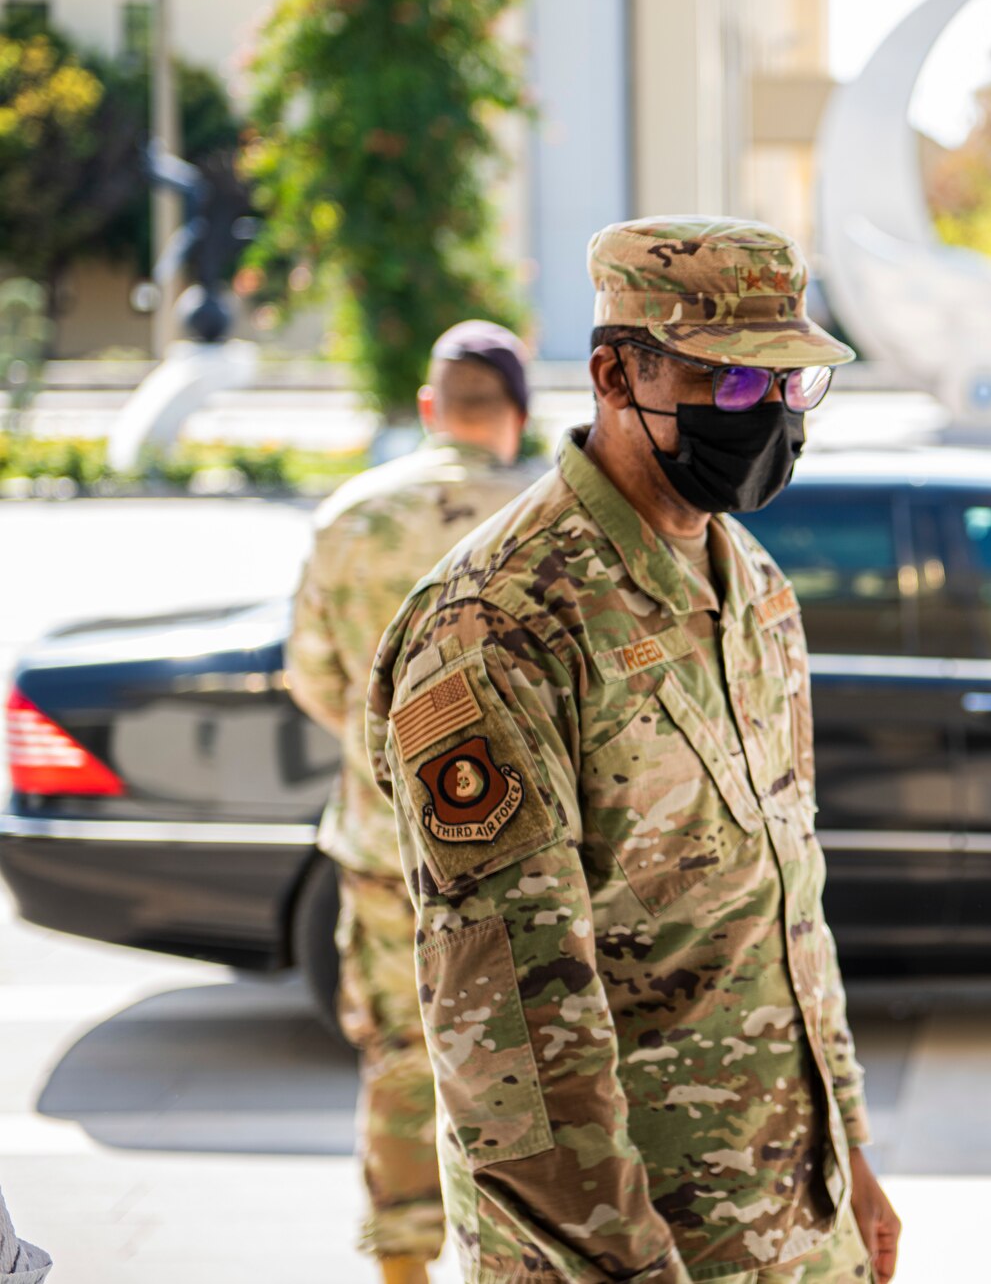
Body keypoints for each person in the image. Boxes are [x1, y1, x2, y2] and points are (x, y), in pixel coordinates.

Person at [366, 217, 900, 1284]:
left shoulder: (750, 588)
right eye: (735, 390)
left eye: (790, 390)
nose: (771, 421)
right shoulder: (498, 625)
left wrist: (851, 1165)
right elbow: (511, 1039)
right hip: (631, 1251)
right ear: (615, 375)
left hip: (792, 1224)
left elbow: (790, 914)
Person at [286, 319, 540, 1284]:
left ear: (431, 408)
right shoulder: (546, 521)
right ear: (513, 416)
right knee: (525, 1075)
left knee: (401, 1058)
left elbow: (313, 678)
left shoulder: (349, 517)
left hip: (386, 849)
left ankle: (404, 1269)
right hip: (523, 863)